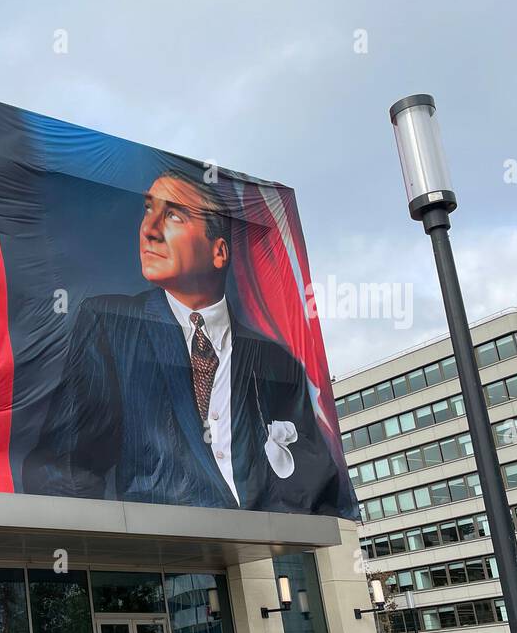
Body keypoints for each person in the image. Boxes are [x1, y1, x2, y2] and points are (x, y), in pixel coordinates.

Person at [23, 167, 346, 515]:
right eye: (148, 210)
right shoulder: (109, 324)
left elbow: (315, 484)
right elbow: (62, 464)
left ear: (219, 252)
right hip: (159, 553)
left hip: (258, 557)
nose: (149, 230)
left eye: (174, 215)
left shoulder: (275, 361)